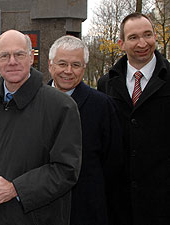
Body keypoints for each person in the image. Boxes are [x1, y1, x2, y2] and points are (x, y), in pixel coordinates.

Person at [0, 30, 82, 225]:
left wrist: (15, 188)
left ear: (31, 57)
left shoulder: (61, 106)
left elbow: (66, 169)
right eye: (4, 56)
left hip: (39, 217)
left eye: (19, 54)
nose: (12, 61)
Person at [97, 12, 170, 225]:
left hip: (162, 202)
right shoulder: (106, 84)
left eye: (147, 35)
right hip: (119, 204)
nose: (142, 43)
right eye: (133, 37)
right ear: (121, 43)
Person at [48, 35, 122, 225]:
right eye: (62, 63)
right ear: (50, 65)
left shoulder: (103, 106)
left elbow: (113, 164)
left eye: (76, 65)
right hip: (40, 210)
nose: (68, 71)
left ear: (84, 67)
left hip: (86, 210)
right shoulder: (32, 103)